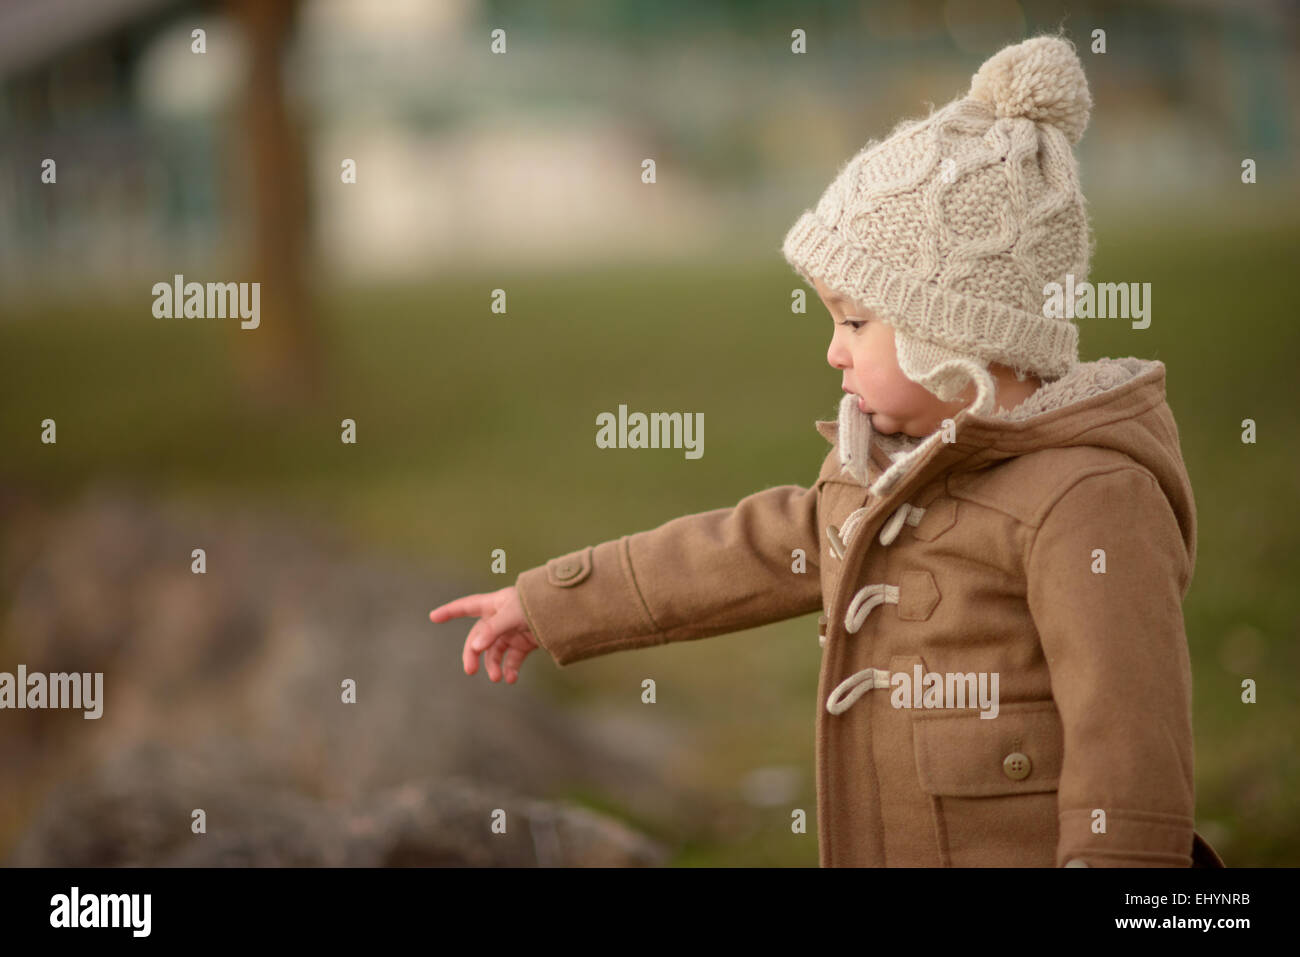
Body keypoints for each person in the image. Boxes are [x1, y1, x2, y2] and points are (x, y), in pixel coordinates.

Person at [430, 33, 1225, 868]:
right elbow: (739, 552)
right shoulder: (884, 464)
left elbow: (1131, 742)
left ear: (950, 333)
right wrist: (553, 601)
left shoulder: (1088, 497)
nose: (833, 352)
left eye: (854, 321)